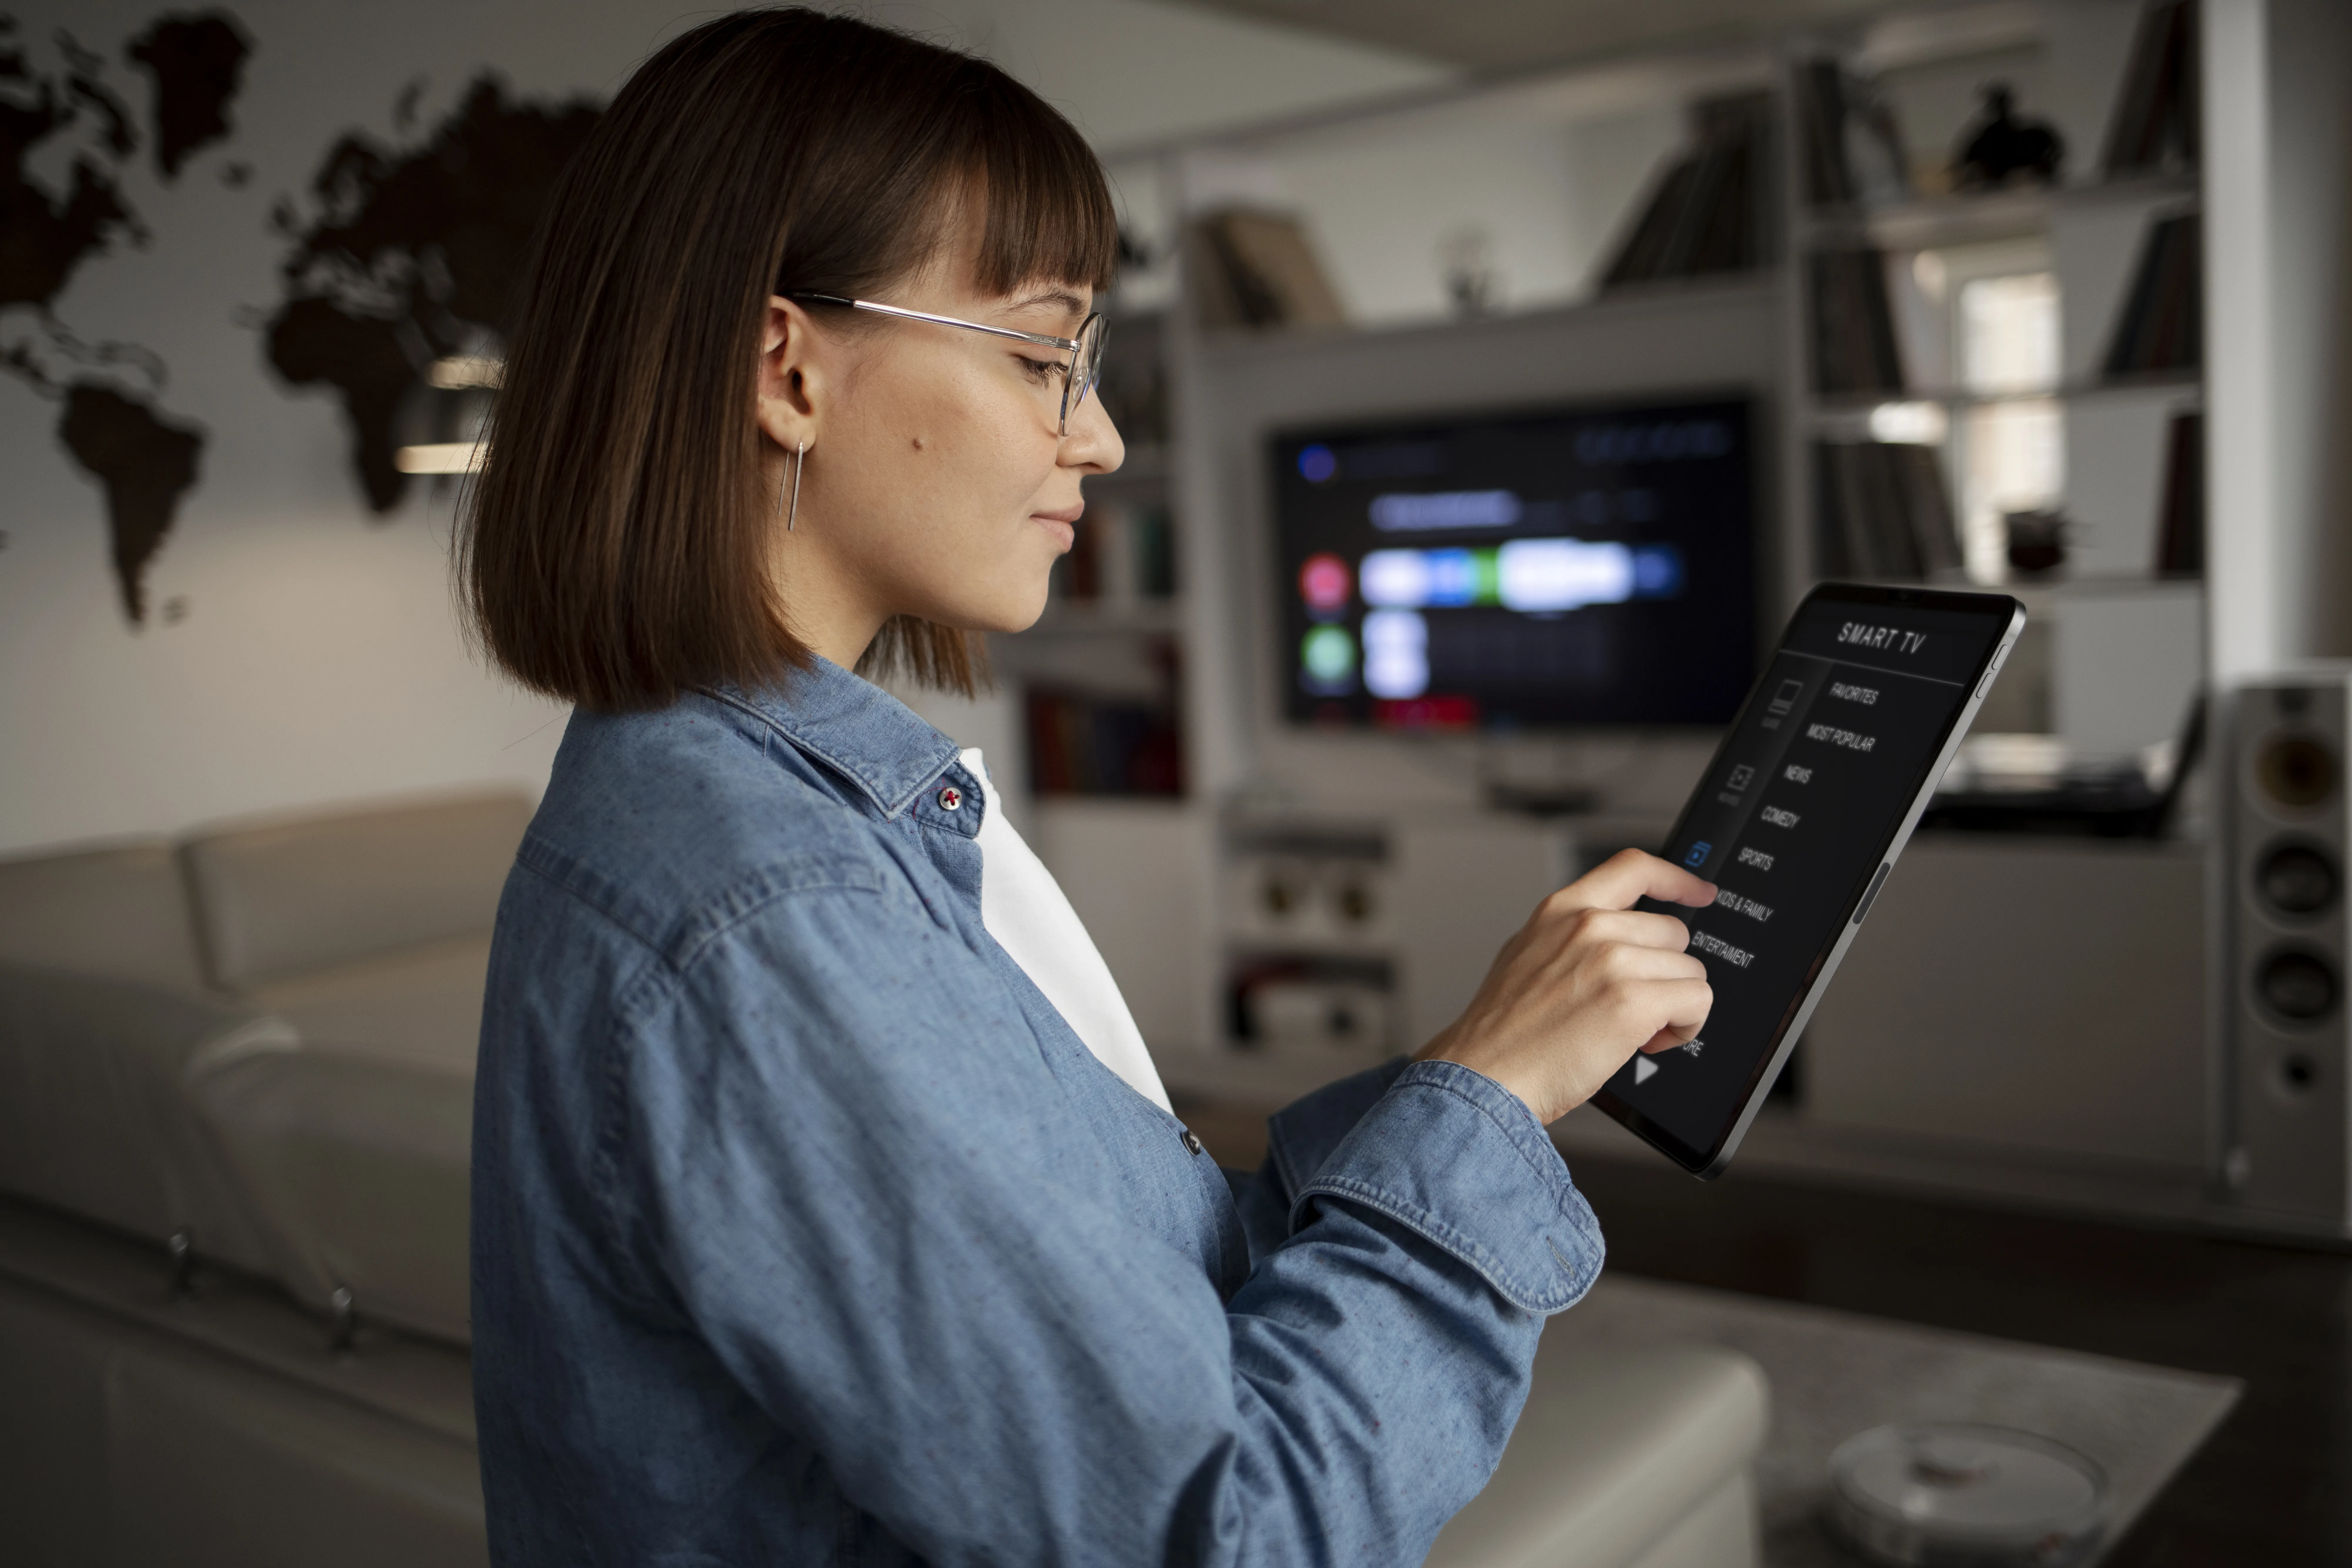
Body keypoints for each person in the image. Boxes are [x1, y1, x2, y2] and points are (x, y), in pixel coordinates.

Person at [461, 10, 1716, 1565]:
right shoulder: (766, 914)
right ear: (786, 370)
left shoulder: (734, 818)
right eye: (1048, 356)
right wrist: (1491, 1102)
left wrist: (1482, 1071)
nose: (1103, 438)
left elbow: (1159, 1274)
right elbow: (1231, 1535)